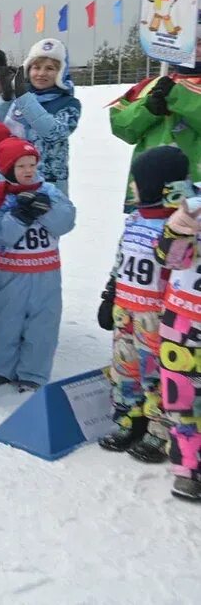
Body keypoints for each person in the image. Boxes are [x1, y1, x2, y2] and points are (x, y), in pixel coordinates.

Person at [97, 146, 190, 462]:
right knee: (126, 369)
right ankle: (130, 419)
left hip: (158, 317)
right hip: (127, 310)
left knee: (156, 376)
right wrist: (110, 295)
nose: (132, 188)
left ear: (154, 185)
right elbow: (120, 261)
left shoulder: (179, 228)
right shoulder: (135, 219)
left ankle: (158, 430)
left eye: (136, 182)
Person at [0, 137, 77, 392]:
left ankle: (33, 373)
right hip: (10, 271)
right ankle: (1, 368)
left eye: (31, 164)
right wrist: (19, 216)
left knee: (42, 324)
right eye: (20, 166)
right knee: (4, 321)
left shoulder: (50, 191)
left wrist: (46, 210)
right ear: (6, 168)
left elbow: (66, 223)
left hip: (45, 270)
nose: (28, 171)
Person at [0, 38, 81, 196]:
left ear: (61, 72)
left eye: (50, 68)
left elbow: (53, 133)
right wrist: (5, 99)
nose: (41, 73)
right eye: (36, 67)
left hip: (47, 185)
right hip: (10, 181)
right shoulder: (17, 98)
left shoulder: (69, 104)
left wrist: (23, 97)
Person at [153, 189, 201, 501]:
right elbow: (169, 259)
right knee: (182, 397)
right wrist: (180, 229)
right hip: (183, 323)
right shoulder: (194, 208)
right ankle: (187, 466)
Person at [109, 66, 201, 212]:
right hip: (151, 186)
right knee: (148, 232)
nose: (195, 48)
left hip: (195, 186)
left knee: (185, 230)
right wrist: (148, 108)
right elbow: (122, 128)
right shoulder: (150, 86)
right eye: (192, 42)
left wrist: (179, 96)